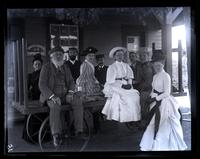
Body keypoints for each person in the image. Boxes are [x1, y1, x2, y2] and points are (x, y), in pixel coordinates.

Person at [139, 52, 187, 151]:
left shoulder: (166, 76)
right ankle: (151, 143)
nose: (157, 67)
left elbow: (167, 93)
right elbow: (153, 90)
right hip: (155, 101)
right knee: (152, 123)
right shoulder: (155, 76)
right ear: (152, 65)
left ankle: (163, 145)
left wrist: (155, 99)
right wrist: (150, 98)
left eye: (159, 65)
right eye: (155, 65)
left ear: (163, 64)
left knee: (163, 123)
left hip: (164, 102)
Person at [39, 46, 84, 147]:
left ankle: (79, 130)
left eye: (61, 54)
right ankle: (56, 134)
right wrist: (52, 96)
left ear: (63, 56)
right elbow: (42, 84)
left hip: (65, 95)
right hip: (51, 96)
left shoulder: (65, 67)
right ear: (51, 56)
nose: (59, 56)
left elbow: (72, 82)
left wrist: (70, 93)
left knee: (78, 102)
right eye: (56, 54)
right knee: (55, 106)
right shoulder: (46, 67)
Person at [102, 47, 141, 122]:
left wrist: (129, 84)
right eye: (118, 55)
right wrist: (121, 86)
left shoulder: (126, 65)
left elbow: (130, 76)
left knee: (135, 95)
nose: (120, 57)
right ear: (115, 57)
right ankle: (122, 117)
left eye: (121, 55)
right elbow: (110, 81)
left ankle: (132, 117)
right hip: (114, 85)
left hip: (125, 83)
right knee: (123, 96)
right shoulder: (112, 67)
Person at [76, 47, 104, 134]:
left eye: (93, 55)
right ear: (86, 57)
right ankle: (91, 127)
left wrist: (98, 83)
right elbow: (82, 79)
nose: (91, 57)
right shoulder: (85, 65)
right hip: (87, 87)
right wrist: (81, 90)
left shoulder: (90, 64)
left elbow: (92, 77)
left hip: (92, 85)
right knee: (93, 104)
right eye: (89, 56)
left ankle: (96, 126)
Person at [22, 54, 48, 143]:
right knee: (30, 113)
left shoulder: (44, 74)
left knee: (41, 115)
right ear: (33, 65)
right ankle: (30, 138)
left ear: (41, 65)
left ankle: (43, 137)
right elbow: (26, 87)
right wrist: (27, 95)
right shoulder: (30, 75)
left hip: (42, 97)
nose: (37, 66)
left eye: (39, 64)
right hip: (34, 98)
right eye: (35, 64)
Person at [137, 47, 155, 121]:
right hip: (143, 88)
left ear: (148, 56)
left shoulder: (152, 65)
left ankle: (145, 120)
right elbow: (138, 79)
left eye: (144, 55)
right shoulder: (139, 66)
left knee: (143, 98)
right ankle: (139, 118)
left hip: (153, 88)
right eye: (141, 56)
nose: (142, 57)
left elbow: (157, 76)